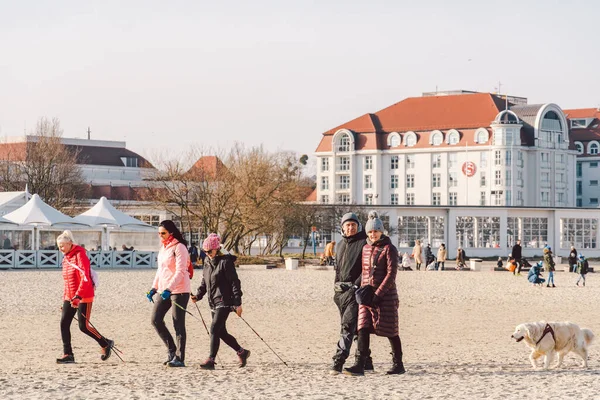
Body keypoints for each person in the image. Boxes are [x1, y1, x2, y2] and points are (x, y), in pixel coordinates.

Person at [344, 211, 405, 376]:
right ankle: (360, 364)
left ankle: (398, 364)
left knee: (390, 330)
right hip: (367, 295)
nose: (373, 234)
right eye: (370, 232)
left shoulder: (389, 248)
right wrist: (358, 288)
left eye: (375, 231)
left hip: (386, 296)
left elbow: (391, 275)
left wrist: (378, 294)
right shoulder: (365, 247)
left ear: (381, 231)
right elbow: (364, 272)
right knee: (362, 327)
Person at [192, 233, 250, 370]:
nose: (207, 254)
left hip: (225, 301)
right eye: (204, 252)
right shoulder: (207, 262)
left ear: (217, 249)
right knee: (221, 332)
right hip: (213, 301)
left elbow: (235, 283)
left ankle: (211, 360)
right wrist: (198, 296)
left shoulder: (226, 262)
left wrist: (237, 303)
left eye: (209, 251)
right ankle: (242, 352)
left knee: (213, 329)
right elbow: (205, 282)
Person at [56, 230, 114, 364]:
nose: (61, 249)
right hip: (70, 296)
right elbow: (67, 281)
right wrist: (65, 298)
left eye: (63, 246)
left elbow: (85, 277)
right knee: (64, 324)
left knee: (84, 327)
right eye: (59, 247)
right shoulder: (66, 258)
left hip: (84, 295)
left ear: (70, 243)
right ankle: (68, 354)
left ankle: (105, 343)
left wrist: (78, 296)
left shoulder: (80, 255)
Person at [330, 212, 372, 375]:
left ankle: (338, 361)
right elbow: (338, 269)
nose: (351, 227)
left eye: (353, 225)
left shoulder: (364, 243)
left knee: (347, 326)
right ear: (343, 227)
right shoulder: (340, 245)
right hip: (341, 294)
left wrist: (355, 286)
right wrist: (336, 288)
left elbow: (367, 269)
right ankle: (367, 361)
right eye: (347, 225)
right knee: (355, 328)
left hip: (356, 293)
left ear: (358, 226)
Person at [147, 220, 191, 367]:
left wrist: (169, 289)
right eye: (159, 233)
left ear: (171, 232)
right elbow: (161, 270)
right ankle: (171, 350)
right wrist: (154, 288)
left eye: (163, 233)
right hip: (163, 289)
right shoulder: (163, 248)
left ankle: (180, 357)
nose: (161, 236)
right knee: (155, 320)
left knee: (178, 323)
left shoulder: (179, 247)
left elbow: (181, 271)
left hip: (179, 290)